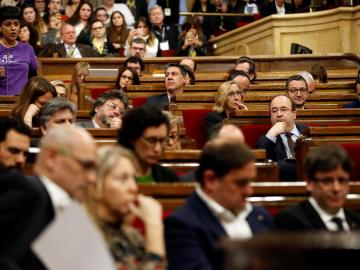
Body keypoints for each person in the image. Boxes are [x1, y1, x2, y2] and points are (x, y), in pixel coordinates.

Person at [165, 139, 273, 270]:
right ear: (210, 180)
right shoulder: (183, 224)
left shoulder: (260, 216)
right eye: (240, 183)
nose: (249, 191)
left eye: (250, 182)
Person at [0, 126, 97, 269]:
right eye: (86, 165)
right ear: (51, 158)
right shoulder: (27, 191)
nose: (92, 178)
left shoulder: (74, 208)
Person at [85, 145, 166, 269]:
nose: (133, 188)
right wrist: (154, 226)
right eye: (123, 179)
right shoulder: (85, 238)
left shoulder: (129, 234)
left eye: (133, 179)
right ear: (96, 187)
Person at [274, 144, 360, 231]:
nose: (336, 189)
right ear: (310, 183)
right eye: (327, 181)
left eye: (342, 180)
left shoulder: (356, 220)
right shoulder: (290, 222)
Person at [117, 105, 179, 183]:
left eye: (162, 140)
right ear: (132, 138)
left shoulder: (168, 177)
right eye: (151, 140)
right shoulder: (113, 176)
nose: (157, 149)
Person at [256, 95, 307, 181]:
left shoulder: (307, 132)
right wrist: (272, 134)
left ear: (294, 114)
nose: (279, 114)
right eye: (274, 111)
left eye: (284, 109)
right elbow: (260, 164)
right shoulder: (267, 138)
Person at [0, 6, 38, 96]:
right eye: (8, 24)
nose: (13, 28)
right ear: (0, 28)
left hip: (21, 101)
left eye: (16, 24)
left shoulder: (28, 49)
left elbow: (34, 78)